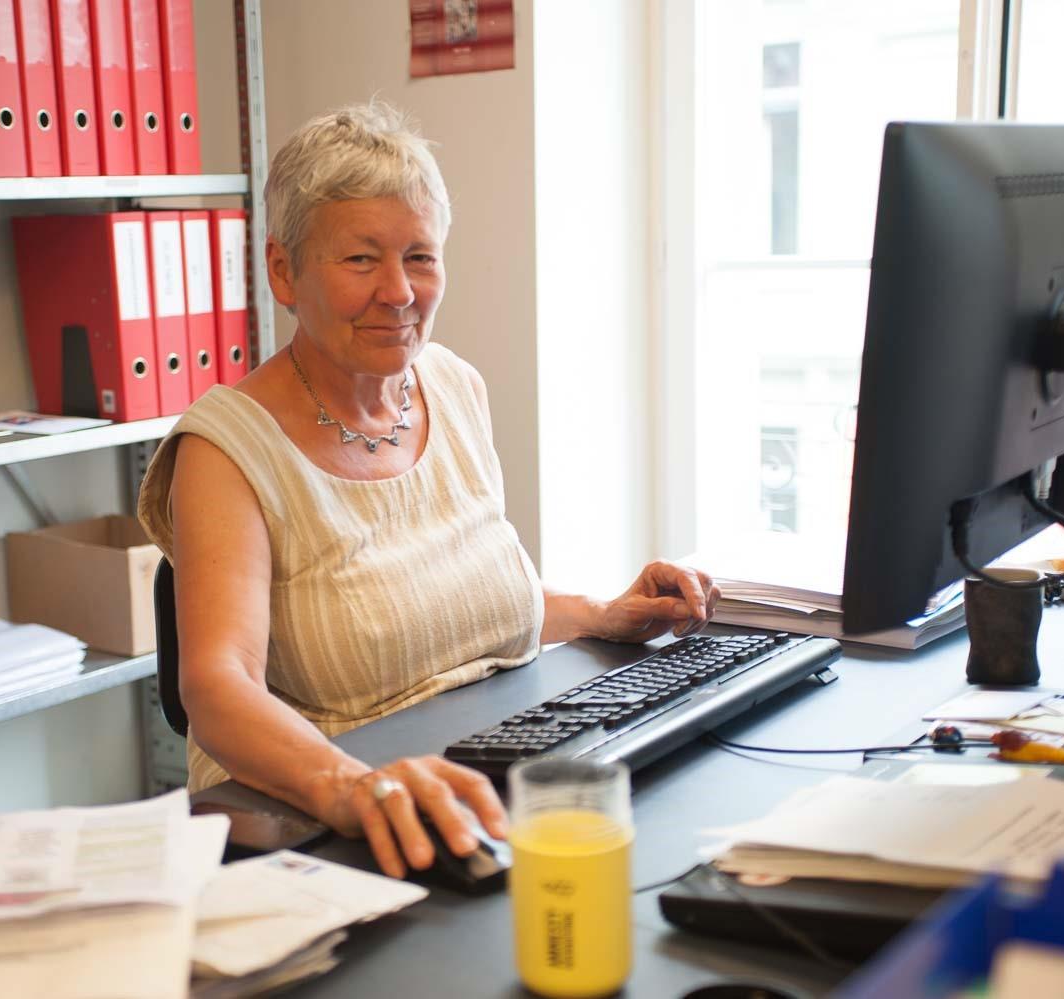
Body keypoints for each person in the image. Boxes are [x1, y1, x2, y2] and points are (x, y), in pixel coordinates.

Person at [138, 101, 720, 879]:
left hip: (471, 774)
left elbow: (444, 603)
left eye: (419, 255)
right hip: (313, 819)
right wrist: (352, 786)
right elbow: (216, 686)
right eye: (360, 260)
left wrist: (600, 614)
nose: (399, 291)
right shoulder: (226, 450)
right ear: (283, 270)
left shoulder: (452, 385)